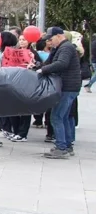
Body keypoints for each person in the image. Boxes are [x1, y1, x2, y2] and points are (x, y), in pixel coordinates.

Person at [38, 27, 82, 158]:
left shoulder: (66, 47)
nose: (49, 42)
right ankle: (67, 146)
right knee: (64, 117)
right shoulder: (60, 47)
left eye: (51, 39)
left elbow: (62, 64)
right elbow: (50, 62)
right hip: (69, 87)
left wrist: (43, 70)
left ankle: (61, 147)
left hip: (67, 87)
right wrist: (37, 66)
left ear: (59, 36)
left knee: (56, 116)